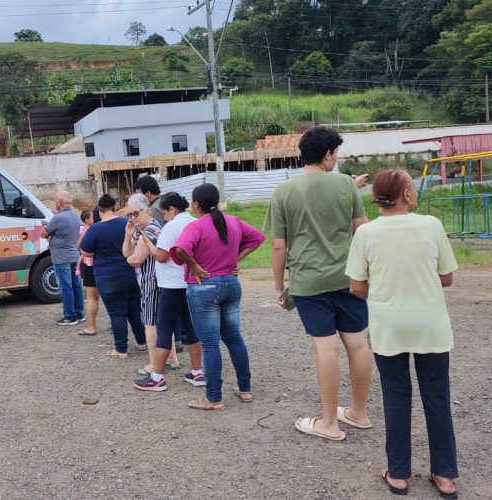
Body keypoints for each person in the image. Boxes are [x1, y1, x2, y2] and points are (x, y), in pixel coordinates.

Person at [346, 169, 459, 498]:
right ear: (408, 194)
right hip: (430, 325)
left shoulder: (367, 233)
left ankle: (397, 474)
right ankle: (445, 475)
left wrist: (383, 290)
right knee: (436, 397)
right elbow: (447, 277)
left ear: (377, 197)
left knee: (396, 397)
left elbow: (356, 286)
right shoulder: (431, 225)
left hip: (389, 326)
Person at [266, 126, 373, 439]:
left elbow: (278, 246)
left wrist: (278, 285)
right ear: (327, 154)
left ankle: (329, 422)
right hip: (349, 277)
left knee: (325, 348)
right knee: (357, 343)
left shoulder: (284, 191)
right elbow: (363, 231)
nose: (336, 158)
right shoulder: (346, 185)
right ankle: (358, 412)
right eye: (335, 153)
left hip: (309, 281)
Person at [171, 184, 265, 410]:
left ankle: (213, 398)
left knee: (210, 344)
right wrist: (236, 259)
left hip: (204, 287)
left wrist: (193, 265)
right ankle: (245, 389)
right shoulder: (233, 221)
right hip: (230, 284)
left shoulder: (196, 226)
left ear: (195, 204)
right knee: (234, 337)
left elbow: (180, 249)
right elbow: (258, 238)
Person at [134, 192, 201, 392]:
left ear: (172, 209)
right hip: (189, 282)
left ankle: (157, 377)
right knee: (191, 328)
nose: (163, 217)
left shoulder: (172, 226)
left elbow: (162, 256)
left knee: (164, 328)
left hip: (171, 284)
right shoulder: (194, 222)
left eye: (164, 212)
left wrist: (146, 241)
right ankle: (198, 372)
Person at [80, 194, 146, 358]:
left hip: (108, 276)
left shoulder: (95, 229)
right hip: (130, 272)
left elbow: (86, 251)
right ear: (115, 207)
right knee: (134, 310)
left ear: (99, 210)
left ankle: (121, 349)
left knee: (117, 313)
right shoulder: (126, 222)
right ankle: (142, 342)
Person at [122, 194, 164, 376]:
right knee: (161, 322)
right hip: (147, 279)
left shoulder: (151, 229)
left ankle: (154, 363)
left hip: (152, 280)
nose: (132, 218)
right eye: (129, 214)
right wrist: (128, 234)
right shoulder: (139, 229)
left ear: (147, 210)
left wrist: (131, 256)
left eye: (136, 213)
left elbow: (136, 259)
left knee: (150, 323)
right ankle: (170, 360)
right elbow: (126, 252)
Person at [41, 191, 84, 326]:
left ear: (59, 202)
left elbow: (43, 234)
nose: (55, 203)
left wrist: (45, 226)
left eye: (55, 201)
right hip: (73, 255)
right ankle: (79, 313)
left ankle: (70, 316)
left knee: (66, 287)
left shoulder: (58, 218)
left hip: (61, 257)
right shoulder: (76, 216)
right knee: (76, 285)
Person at [76, 210, 99, 336]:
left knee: (91, 297)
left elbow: (79, 247)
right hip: (104, 264)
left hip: (89, 264)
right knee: (110, 297)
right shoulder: (99, 228)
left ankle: (91, 327)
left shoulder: (86, 230)